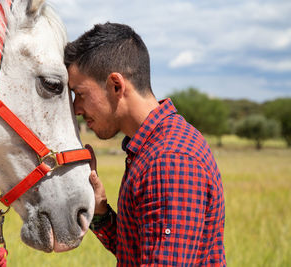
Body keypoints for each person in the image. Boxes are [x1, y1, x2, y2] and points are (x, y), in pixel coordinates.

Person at [64, 22, 226, 266]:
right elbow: (138, 251)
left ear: (116, 86)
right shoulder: (153, 148)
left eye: (80, 93)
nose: (76, 108)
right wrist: (100, 212)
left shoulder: (169, 160)